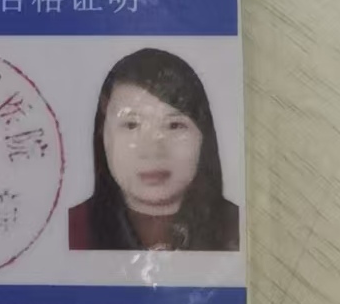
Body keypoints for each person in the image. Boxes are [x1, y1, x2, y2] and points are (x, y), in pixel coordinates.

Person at [68, 48, 240, 251]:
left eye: (174, 125)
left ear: (204, 136)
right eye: (131, 125)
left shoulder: (240, 227)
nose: (153, 151)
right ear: (102, 135)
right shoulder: (70, 229)